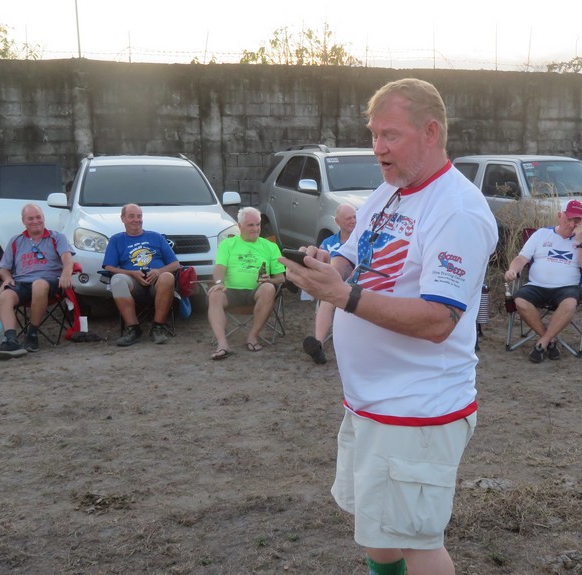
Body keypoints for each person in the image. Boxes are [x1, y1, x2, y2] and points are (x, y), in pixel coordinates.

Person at [281, 78, 498, 575]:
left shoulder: (457, 210)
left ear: (431, 132)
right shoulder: (389, 191)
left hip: (417, 410)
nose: (378, 148)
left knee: (417, 544)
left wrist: (344, 296)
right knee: (378, 534)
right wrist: (325, 268)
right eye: (374, 135)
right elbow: (351, 256)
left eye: (391, 135)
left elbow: (440, 319)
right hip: (371, 402)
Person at [503, 199, 582, 363]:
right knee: (520, 300)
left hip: (567, 288)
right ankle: (550, 340)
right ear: (560, 216)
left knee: (570, 304)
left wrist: (580, 243)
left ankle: (542, 343)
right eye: (569, 219)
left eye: (577, 220)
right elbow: (521, 258)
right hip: (537, 286)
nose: (572, 224)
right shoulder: (541, 234)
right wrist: (513, 270)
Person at [0, 203, 75, 359]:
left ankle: (32, 334)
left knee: (38, 285)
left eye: (38, 217)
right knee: (5, 296)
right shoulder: (16, 240)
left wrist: (66, 273)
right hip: (22, 282)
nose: (35, 221)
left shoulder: (57, 237)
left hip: (50, 282)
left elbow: (67, 259)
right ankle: (11, 340)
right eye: (30, 218)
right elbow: (4, 268)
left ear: (44, 218)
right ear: (23, 221)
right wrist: (7, 279)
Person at [207, 206, 285, 360]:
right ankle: (222, 344)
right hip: (230, 291)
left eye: (258, 224)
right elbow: (220, 268)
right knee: (215, 294)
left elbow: (281, 278)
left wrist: (270, 280)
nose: (256, 229)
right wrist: (219, 282)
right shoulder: (228, 244)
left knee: (268, 288)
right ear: (240, 226)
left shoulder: (270, 246)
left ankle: (253, 337)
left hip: (256, 292)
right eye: (251, 225)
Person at [102, 203, 180, 346]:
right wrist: (131, 273)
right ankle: (133, 329)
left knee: (167, 277)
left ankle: (158, 327)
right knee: (117, 280)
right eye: (131, 216)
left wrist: (159, 271)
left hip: (157, 283)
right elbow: (109, 267)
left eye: (139, 216)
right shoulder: (116, 240)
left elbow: (175, 264)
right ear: (123, 218)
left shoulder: (156, 237)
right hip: (133, 283)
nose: (136, 220)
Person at [302, 204, 357, 364]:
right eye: (348, 218)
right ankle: (318, 346)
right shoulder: (328, 242)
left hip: (357, 286)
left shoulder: (363, 240)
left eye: (354, 217)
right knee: (328, 295)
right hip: (332, 285)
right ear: (337, 221)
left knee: (331, 294)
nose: (353, 221)